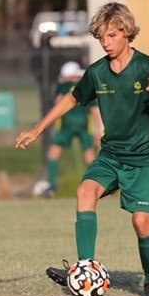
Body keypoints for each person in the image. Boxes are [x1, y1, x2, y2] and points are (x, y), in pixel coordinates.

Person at [15, 2, 149, 296]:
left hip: (147, 155)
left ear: (127, 33)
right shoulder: (96, 73)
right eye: (101, 37)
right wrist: (38, 129)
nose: (106, 42)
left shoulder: (146, 66)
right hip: (112, 154)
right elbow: (71, 99)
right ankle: (84, 275)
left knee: (141, 221)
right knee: (85, 192)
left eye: (112, 35)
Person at [38, 61, 100, 197]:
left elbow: (57, 103)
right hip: (84, 124)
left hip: (66, 124)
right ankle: (96, 186)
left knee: (54, 153)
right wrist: (99, 130)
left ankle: (53, 186)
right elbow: (95, 111)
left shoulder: (62, 87)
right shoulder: (86, 86)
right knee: (89, 155)